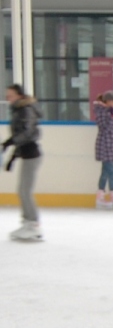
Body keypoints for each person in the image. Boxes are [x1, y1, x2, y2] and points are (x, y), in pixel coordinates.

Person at [4, 84, 43, 242]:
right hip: (27, 154)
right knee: (22, 190)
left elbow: (27, 133)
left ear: (19, 95)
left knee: (25, 191)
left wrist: (11, 141)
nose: (8, 99)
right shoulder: (19, 109)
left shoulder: (25, 109)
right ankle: (27, 222)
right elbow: (22, 137)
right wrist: (12, 157)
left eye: (11, 95)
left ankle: (33, 225)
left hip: (32, 155)